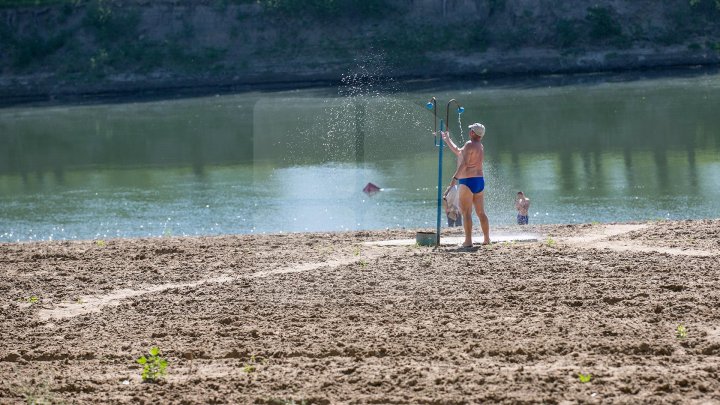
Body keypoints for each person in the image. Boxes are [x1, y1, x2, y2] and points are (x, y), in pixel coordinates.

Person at [444, 122, 490, 247]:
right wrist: (447, 139)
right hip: (479, 181)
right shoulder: (480, 146)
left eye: (470, 130)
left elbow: (463, 164)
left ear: (473, 133)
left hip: (467, 181)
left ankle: (468, 241)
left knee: (466, 212)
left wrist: (455, 178)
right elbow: (459, 152)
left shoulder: (469, 144)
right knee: (481, 212)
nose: (469, 131)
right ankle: (486, 239)